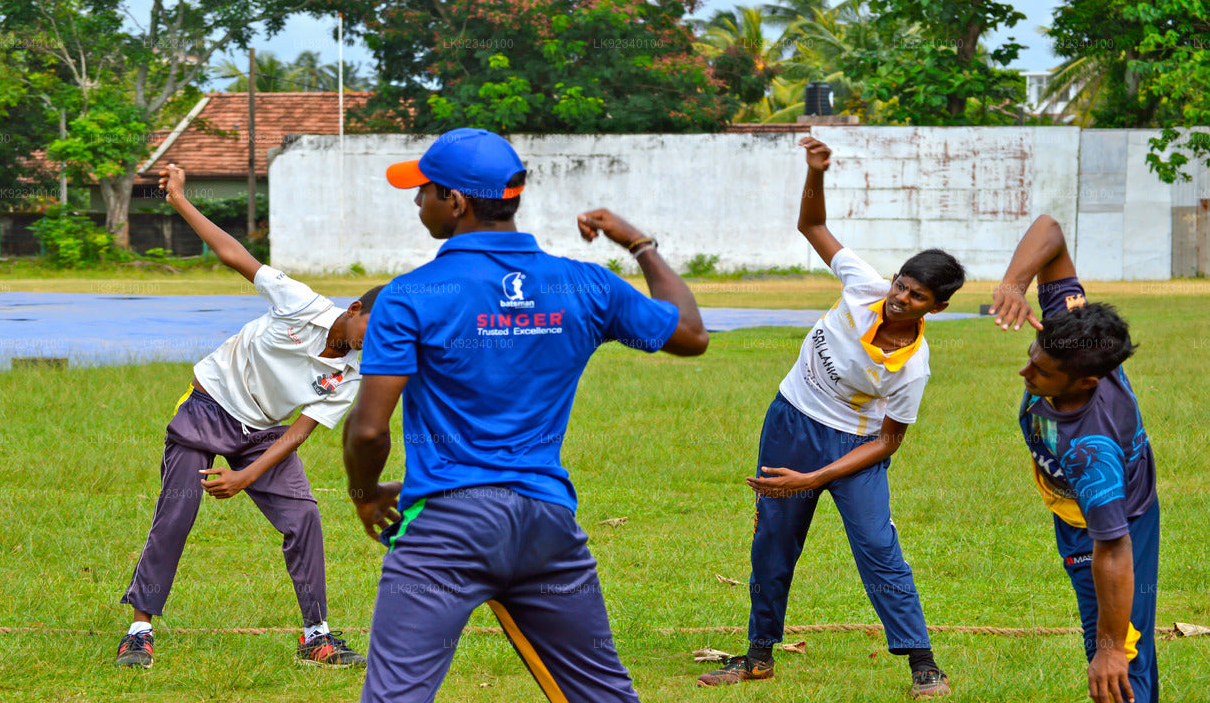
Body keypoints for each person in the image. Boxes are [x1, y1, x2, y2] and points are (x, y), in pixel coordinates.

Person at [343, 127, 709, 702]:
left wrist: (365, 494)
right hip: (546, 525)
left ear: (455, 202)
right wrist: (638, 244)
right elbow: (690, 334)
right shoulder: (585, 284)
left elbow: (368, 431)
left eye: (424, 190)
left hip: (445, 528)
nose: (417, 201)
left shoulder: (410, 295)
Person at [697, 138, 963, 698]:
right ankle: (758, 658)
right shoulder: (863, 285)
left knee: (877, 548)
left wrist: (816, 478)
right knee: (773, 543)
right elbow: (812, 225)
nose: (900, 298)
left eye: (917, 297)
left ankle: (923, 664)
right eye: (901, 284)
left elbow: (889, 442)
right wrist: (814, 171)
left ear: (937, 307)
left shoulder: (912, 368)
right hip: (790, 422)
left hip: (855, 448)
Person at [114, 163, 380, 670]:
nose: (377, 341)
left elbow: (300, 431)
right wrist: (179, 199)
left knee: (304, 517)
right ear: (354, 309)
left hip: (263, 432)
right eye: (376, 327)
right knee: (177, 512)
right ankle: (139, 631)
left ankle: (316, 636)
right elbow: (234, 254)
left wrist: (246, 476)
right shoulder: (300, 303)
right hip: (208, 406)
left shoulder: (352, 373)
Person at [991, 214, 1158, 703]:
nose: (1025, 372)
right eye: (1031, 355)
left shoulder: (1091, 452)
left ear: (1086, 383)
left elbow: (1114, 548)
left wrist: (1110, 649)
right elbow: (1050, 230)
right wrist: (1014, 284)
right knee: (1124, 647)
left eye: (1041, 372)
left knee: (1117, 659)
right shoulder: (1076, 336)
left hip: (1106, 524)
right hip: (1080, 509)